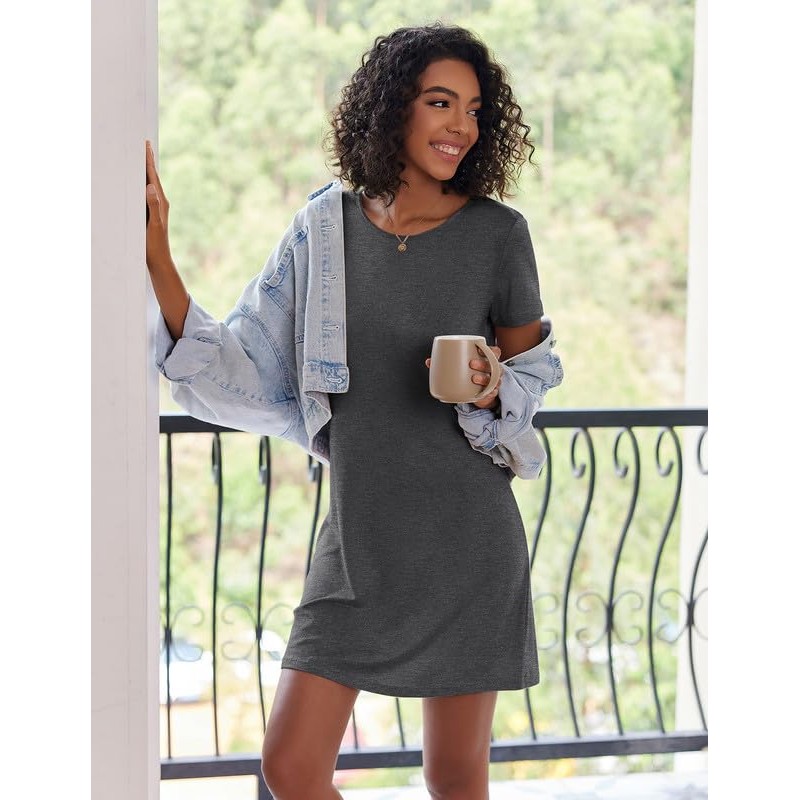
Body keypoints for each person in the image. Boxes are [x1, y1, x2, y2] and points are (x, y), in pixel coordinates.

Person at [146, 22, 563, 800]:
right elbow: (240, 362)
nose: (461, 126)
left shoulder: (498, 236)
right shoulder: (322, 232)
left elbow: (532, 377)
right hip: (357, 539)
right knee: (291, 768)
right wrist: (158, 259)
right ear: (393, 106)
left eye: (474, 109)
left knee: (453, 775)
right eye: (440, 102)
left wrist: (489, 384)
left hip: (467, 539)